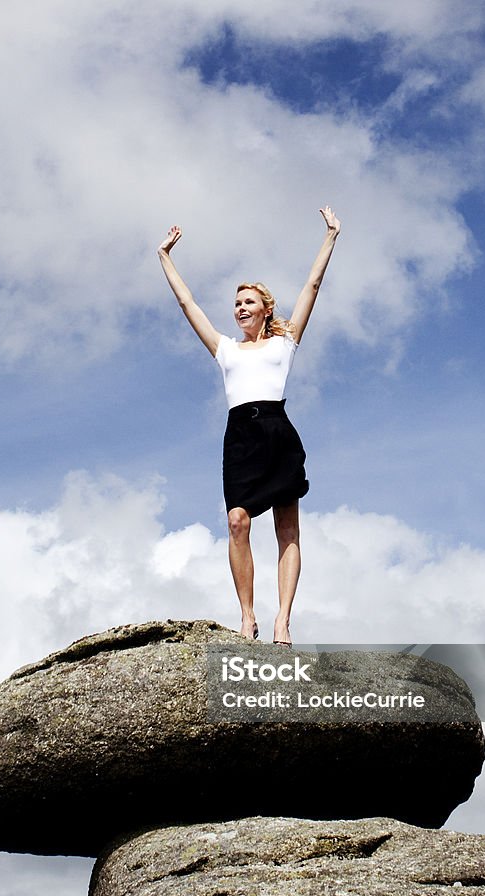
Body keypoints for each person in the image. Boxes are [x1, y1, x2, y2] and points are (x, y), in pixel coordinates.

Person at [157, 206, 341, 644]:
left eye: (248, 302)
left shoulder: (286, 340)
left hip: (278, 431)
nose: (240, 308)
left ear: (264, 309)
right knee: (238, 522)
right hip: (240, 437)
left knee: (287, 527)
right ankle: (247, 615)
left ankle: (283, 619)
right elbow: (188, 304)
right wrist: (164, 256)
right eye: (236, 303)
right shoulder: (225, 350)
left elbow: (312, 284)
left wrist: (331, 236)